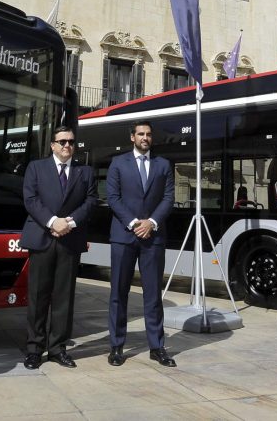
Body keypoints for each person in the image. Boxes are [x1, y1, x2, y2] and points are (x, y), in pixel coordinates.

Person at [20, 126, 97, 370]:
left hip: (69, 240)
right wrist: (53, 222)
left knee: (64, 298)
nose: (67, 146)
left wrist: (69, 223)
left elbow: (91, 201)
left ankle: (57, 348)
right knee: (38, 296)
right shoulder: (36, 167)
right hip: (43, 237)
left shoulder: (85, 172)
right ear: (52, 145)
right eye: (62, 142)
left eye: (71, 142)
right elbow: (30, 199)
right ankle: (34, 349)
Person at [106, 120, 176, 368]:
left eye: (148, 134)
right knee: (118, 293)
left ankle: (157, 347)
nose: (145, 138)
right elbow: (112, 198)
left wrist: (152, 222)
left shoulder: (163, 165)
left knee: (153, 294)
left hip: (153, 238)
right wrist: (136, 223)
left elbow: (169, 198)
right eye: (140, 134)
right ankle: (116, 346)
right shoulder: (118, 163)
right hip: (124, 237)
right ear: (132, 137)